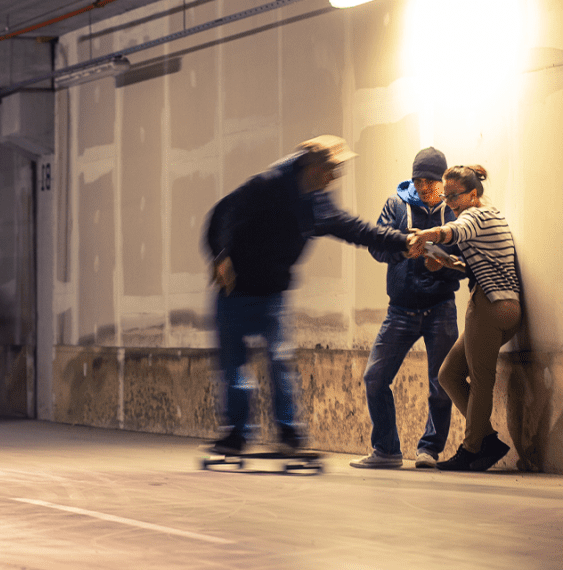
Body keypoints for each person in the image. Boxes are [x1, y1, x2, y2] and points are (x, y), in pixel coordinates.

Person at [203, 135, 410, 455]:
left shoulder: (318, 203)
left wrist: (405, 243)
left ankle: (288, 432)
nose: (336, 177)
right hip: (235, 291)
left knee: (279, 359)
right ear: (312, 166)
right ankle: (236, 434)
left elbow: (358, 230)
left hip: (273, 293)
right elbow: (220, 216)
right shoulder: (265, 186)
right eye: (332, 169)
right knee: (235, 366)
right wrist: (220, 256)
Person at [350, 148, 465, 470]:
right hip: (400, 309)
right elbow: (377, 246)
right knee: (375, 377)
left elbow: (465, 262)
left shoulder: (455, 210)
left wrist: (439, 263)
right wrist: (403, 248)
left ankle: (429, 450)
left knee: (441, 383)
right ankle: (386, 450)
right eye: (418, 179)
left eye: (431, 180)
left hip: (441, 307)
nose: (425, 186)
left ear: (443, 181)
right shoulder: (395, 205)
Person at [406, 165, 520, 471]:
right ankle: (487, 440)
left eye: (455, 195)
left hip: (489, 304)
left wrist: (429, 234)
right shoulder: (492, 215)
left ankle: (472, 449)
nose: (449, 201)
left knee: (481, 380)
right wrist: (447, 263)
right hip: (507, 307)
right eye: (446, 194)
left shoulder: (475, 215)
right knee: (448, 375)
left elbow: (455, 231)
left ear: (473, 194)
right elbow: (478, 261)